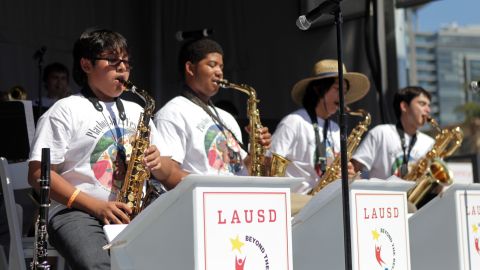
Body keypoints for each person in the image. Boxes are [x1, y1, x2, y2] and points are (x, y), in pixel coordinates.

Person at [27, 28, 179, 270]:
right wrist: (96, 206)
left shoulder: (139, 111)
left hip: (134, 211)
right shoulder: (65, 110)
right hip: (75, 211)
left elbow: (170, 172)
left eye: (127, 62)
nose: (123, 68)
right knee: (100, 266)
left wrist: (158, 163)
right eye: (113, 60)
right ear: (86, 65)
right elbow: (38, 174)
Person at [154, 38, 271, 176]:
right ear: (190, 68)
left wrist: (258, 151)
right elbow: (169, 174)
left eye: (221, 67)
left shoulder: (227, 117)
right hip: (202, 197)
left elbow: (243, 171)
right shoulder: (172, 113)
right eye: (212, 65)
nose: (219, 72)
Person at [270, 59, 370, 194]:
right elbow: (271, 164)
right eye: (337, 89)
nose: (343, 98)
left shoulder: (335, 128)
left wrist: (350, 174)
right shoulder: (294, 122)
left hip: (326, 201)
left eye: (344, 92)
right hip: (298, 203)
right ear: (318, 89)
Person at [351, 86, 435, 180]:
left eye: (429, 105)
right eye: (422, 104)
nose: (428, 110)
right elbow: (353, 170)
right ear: (404, 106)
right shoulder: (381, 133)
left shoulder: (430, 142)